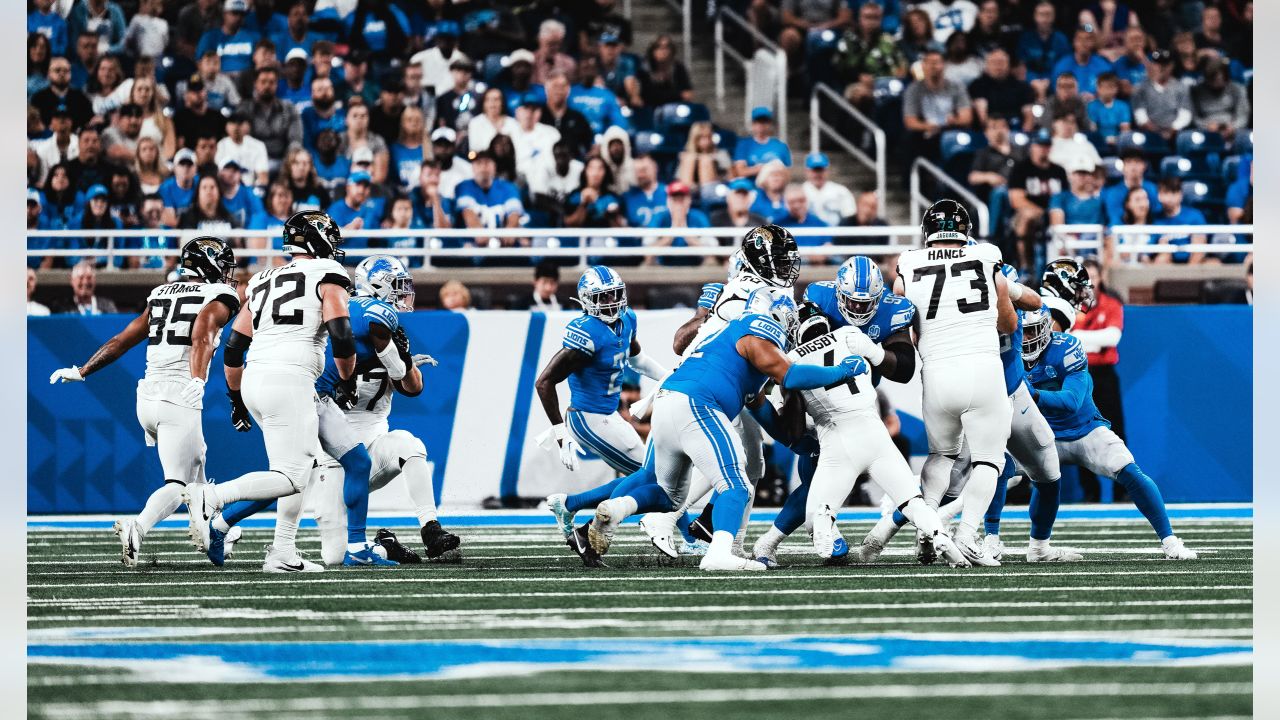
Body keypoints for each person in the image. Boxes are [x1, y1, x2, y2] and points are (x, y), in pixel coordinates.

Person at [587, 284, 869, 572]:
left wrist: (800, 444)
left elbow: (766, 416)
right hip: (697, 403)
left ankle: (617, 509)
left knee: (670, 497)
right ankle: (719, 552)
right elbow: (791, 374)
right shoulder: (757, 330)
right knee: (737, 484)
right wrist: (841, 371)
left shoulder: (738, 349)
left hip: (669, 400)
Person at [184, 212, 385, 568]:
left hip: (261, 379)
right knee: (290, 476)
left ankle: (289, 551)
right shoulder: (329, 273)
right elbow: (340, 333)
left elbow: (233, 346)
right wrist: (348, 379)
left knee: (348, 460)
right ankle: (212, 499)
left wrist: (235, 399)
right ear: (317, 240)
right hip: (290, 381)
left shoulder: (261, 278)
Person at [50, 239, 241, 567]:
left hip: (147, 398)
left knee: (198, 460)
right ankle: (136, 527)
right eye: (222, 265)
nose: (226, 273)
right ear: (208, 265)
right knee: (178, 486)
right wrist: (198, 378)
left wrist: (82, 371)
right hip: (178, 395)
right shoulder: (219, 296)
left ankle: (212, 535)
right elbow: (202, 336)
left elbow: (120, 340)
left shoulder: (160, 294)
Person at [301, 257, 461, 565]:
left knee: (409, 444)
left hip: (373, 446)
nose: (403, 293)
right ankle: (386, 546)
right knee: (333, 557)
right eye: (397, 285)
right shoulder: (340, 331)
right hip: (334, 459)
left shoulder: (384, 332)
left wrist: (404, 359)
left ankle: (431, 528)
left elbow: (412, 388)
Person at [894, 200, 1017, 565]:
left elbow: (901, 314)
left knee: (941, 454)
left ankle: (927, 528)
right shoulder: (987, 255)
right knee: (989, 460)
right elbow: (1008, 323)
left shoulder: (907, 261)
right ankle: (965, 535)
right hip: (982, 367)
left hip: (937, 371)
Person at [1021, 307, 1196, 560]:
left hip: (1083, 429)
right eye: (1022, 333)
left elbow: (1071, 400)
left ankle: (1170, 541)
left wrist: (1033, 394)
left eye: (1031, 332)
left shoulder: (1066, 348)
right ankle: (997, 540)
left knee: (1129, 470)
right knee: (993, 467)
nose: (1026, 339)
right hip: (1040, 433)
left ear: (1046, 328)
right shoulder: (1008, 352)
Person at [538, 267, 669, 528]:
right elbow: (544, 382)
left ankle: (570, 504)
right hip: (587, 418)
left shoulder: (627, 319)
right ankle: (682, 536)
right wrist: (561, 434)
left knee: (652, 476)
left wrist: (669, 377)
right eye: (603, 298)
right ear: (588, 300)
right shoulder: (587, 332)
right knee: (655, 477)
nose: (612, 302)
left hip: (609, 415)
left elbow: (637, 360)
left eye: (615, 295)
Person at [1007, 129, 1066, 271]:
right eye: (1040, 145)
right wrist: (1041, 212)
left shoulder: (1059, 170)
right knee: (1026, 217)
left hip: (1056, 213)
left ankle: (1061, 265)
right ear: (1032, 146)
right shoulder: (1021, 168)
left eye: (1046, 145)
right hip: (1030, 212)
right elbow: (1016, 200)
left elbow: (1066, 196)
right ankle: (1025, 265)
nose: (1043, 149)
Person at [902, 49, 973, 162]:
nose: (933, 66)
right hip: (924, 131)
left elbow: (966, 117)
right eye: (929, 62)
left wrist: (954, 121)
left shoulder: (956, 86)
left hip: (950, 129)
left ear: (944, 65)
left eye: (936, 62)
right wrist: (928, 126)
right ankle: (913, 178)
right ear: (923, 66)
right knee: (910, 139)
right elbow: (910, 121)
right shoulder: (913, 89)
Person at [236, 66, 302, 175]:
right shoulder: (244, 109)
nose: (267, 86)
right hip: (252, 162)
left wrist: (288, 162)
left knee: (299, 155)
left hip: (282, 161)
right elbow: (241, 140)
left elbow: (295, 139)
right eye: (263, 82)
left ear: (277, 85)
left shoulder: (289, 108)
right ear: (255, 84)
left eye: (271, 82)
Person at [647, 181, 713, 267]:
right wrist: (671, 233)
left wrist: (687, 234)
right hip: (663, 266)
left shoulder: (698, 217)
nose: (678, 204)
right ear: (668, 201)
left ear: (689, 200)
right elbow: (647, 254)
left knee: (711, 262)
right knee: (647, 263)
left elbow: (712, 253)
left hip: (695, 266)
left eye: (681, 200)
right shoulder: (659, 217)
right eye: (675, 200)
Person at [1131, 50, 1191, 142]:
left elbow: (1185, 114)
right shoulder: (1141, 88)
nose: (1162, 67)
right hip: (1148, 134)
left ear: (1172, 66)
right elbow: (1140, 114)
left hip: (1175, 135)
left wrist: (1172, 130)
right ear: (1152, 65)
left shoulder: (1181, 87)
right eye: (1158, 63)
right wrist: (1156, 131)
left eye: (1165, 64)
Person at [967, 48, 1032, 127]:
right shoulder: (977, 86)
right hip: (988, 128)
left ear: (1009, 65)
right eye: (994, 63)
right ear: (987, 66)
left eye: (1001, 62)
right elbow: (981, 115)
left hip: (1016, 129)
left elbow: (1028, 115)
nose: (998, 66)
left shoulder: (1022, 87)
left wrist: (1025, 132)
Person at [1151, 177, 1208, 265]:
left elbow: (1199, 249)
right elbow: (1161, 251)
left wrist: (1187, 274)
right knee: (1161, 260)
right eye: (1165, 193)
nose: (1169, 197)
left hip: (1192, 263)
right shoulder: (1155, 219)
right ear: (1159, 196)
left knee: (1214, 263)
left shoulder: (1195, 216)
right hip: (1168, 263)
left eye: (1173, 193)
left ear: (1180, 195)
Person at [1191, 58, 1251, 142]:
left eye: (1217, 79)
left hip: (1233, 129)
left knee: (1248, 137)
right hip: (1206, 132)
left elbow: (1243, 116)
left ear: (1226, 76)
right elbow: (1194, 117)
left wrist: (1233, 127)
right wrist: (1206, 126)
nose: (1214, 83)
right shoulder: (1197, 91)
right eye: (1211, 80)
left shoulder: (1237, 89)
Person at [195, 0, 259, 77]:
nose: (238, 17)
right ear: (224, 14)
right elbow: (199, 62)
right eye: (234, 13)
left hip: (246, 80)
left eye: (242, 14)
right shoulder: (210, 37)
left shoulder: (253, 37)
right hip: (218, 79)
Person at [1017, 1, 1071, 92]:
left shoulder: (1061, 39)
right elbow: (1021, 66)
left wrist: (1050, 80)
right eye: (1041, 15)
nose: (1045, 19)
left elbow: (1065, 65)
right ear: (1035, 17)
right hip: (1030, 83)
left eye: (1048, 15)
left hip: (1055, 83)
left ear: (1053, 17)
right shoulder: (1026, 38)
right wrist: (1032, 80)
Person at [540, 71, 593, 159]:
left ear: (568, 90)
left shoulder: (578, 118)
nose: (559, 90)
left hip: (572, 166)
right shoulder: (538, 116)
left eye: (562, 86)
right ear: (546, 89)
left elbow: (589, 146)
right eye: (555, 86)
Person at [1052, 24, 1113, 99]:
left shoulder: (1103, 66)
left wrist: (1096, 96)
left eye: (1088, 39)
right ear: (1074, 42)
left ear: (1093, 42)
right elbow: (1057, 93)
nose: (1083, 43)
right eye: (1080, 39)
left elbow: (1110, 91)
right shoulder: (1062, 66)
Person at [1102, 148, 1160, 225]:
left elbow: (1157, 215)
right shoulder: (1113, 193)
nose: (1133, 167)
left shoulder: (1153, 189)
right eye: (1128, 162)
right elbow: (1115, 220)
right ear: (1122, 166)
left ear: (1144, 165)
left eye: (1137, 162)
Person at [511, 96, 560, 183]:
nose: (529, 114)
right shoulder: (508, 134)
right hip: (518, 182)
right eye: (526, 109)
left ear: (539, 113)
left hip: (549, 182)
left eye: (533, 110)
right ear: (517, 112)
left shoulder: (552, 133)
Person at [733, 106, 792, 178]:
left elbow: (788, 173)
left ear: (770, 124)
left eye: (764, 121)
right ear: (753, 124)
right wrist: (765, 168)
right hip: (751, 186)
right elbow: (740, 172)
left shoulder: (781, 146)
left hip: (773, 185)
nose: (761, 125)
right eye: (757, 121)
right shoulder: (744, 145)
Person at [409, 20, 465, 96]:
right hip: (426, 99)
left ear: (455, 41)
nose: (445, 42)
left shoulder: (462, 59)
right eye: (442, 38)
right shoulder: (420, 58)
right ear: (436, 39)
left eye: (449, 39)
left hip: (453, 101)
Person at [968, 114, 1016, 200]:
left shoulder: (1020, 151)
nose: (999, 131)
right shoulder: (983, 153)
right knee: (999, 193)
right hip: (994, 194)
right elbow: (973, 177)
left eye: (1002, 126)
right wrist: (989, 176)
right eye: (994, 127)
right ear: (986, 133)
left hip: (1017, 192)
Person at [215, 113, 269, 188]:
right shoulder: (220, 146)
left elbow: (263, 176)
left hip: (250, 188)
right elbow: (219, 174)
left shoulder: (258, 145)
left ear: (248, 126)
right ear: (226, 127)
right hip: (227, 188)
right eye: (232, 123)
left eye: (240, 123)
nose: (236, 127)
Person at [801, 153, 856, 227]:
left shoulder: (841, 191)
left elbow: (850, 216)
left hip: (835, 234)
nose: (818, 174)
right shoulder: (799, 192)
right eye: (814, 170)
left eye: (821, 170)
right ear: (807, 171)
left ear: (827, 171)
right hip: (809, 234)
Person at [638, 34, 693, 107]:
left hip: (673, 109)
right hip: (648, 109)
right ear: (652, 50)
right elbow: (647, 95)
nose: (663, 51)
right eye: (659, 47)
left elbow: (688, 93)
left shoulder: (678, 68)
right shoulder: (644, 68)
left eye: (667, 47)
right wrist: (678, 95)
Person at [1048, 158, 1105, 228]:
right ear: (1070, 175)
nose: (1082, 177)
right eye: (1079, 173)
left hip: (1096, 236)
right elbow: (1057, 226)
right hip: (1068, 237)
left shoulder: (1102, 197)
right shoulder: (1059, 198)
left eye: (1087, 173)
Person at [710, 178, 768, 246]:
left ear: (751, 199)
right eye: (737, 195)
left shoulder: (760, 221)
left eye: (744, 196)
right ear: (728, 197)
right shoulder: (716, 219)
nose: (740, 200)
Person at [781, 184, 833, 257]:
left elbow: (828, 248)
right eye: (792, 202)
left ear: (807, 201)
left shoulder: (821, 224)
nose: (797, 205)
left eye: (801, 200)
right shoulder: (778, 225)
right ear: (785, 204)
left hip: (818, 266)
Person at [676, 121, 731, 189]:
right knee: (689, 158)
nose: (706, 141)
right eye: (701, 138)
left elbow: (730, 175)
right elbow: (678, 177)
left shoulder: (720, 153)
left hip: (715, 187)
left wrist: (711, 159)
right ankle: (686, 193)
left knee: (705, 160)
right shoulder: (687, 156)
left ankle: (705, 193)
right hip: (692, 187)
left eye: (708, 137)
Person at [466, 87, 519, 153]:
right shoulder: (475, 123)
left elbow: (518, 148)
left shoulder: (513, 123)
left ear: (502, 102)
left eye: (496, 99)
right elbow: (474, 150)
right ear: (483, 103)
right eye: (488, 100)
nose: (492, 104)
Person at [621, 155, 667, 230]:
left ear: (655, 168)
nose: (640, 175)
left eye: (644, 170)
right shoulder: (626, 197)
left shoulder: (670, 192)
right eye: (637, 171)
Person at [1086, 72, 1132, 146]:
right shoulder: (1092, 106)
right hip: (1099, 142)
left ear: (1116, 89)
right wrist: (1104, 140)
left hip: (1119, 142)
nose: (1108, 91)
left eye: (1112, 87)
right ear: (1098, 88)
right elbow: (1092, 129)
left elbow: (1125, 130)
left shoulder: (1123, 106)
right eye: (1105, 87)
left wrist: (1116, 140)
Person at [389, 106, 427, 190]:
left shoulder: (428, 148)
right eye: (409, 120)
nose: (414, 123)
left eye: (417, 120)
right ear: (403, 123)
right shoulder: (393, 149)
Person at [531, 19, 576, 86]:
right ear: (540, 40)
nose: (555, 47)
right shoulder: (530, 61)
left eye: (558, 44)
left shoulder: (568, 63)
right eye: (551, 43)